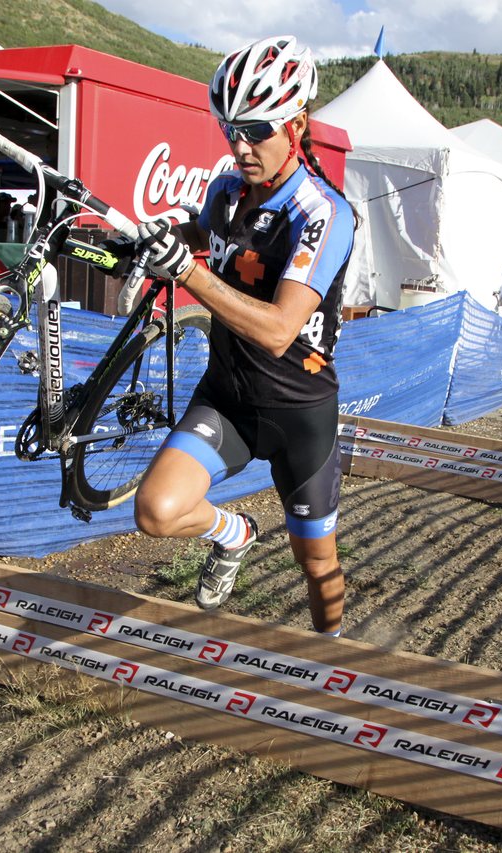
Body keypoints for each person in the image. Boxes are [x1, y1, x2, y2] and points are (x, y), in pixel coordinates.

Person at [131, 35, 355, 638]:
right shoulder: (227, 189)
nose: (239, 145)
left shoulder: (322, 212)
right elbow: (205, 235)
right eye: (230, 128)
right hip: (228, 397)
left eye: (256, 129)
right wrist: (165, 237)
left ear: (297, 123)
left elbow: (280, 331)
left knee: (317, 566)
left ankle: (329, 664)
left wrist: (187, 271)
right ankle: (236, 535)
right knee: (156, 510)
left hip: (299, 412)